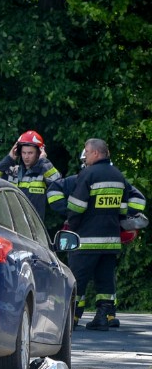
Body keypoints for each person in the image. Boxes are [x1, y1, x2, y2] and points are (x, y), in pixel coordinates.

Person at [64, 138, 146, 331]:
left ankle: (72, 318)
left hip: (86, 240)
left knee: (77, 279)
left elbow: (77, 207)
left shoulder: (88, 174)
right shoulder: (118, 175)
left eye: (87, 151)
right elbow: (123, 209)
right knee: (105, 280)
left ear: (95, 153)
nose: (85, 156)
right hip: (110, 240)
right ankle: (104, 317)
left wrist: (72, 225)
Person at [0, 130, 62, 220]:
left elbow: (58, 183)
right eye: (23, 152)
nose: (26, 157)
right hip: (10, 227)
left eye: (30, 153)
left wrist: (43, 162)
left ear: (39, 153)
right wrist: (8, 159)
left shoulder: (43, 173)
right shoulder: (12, 171)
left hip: (34, 229)